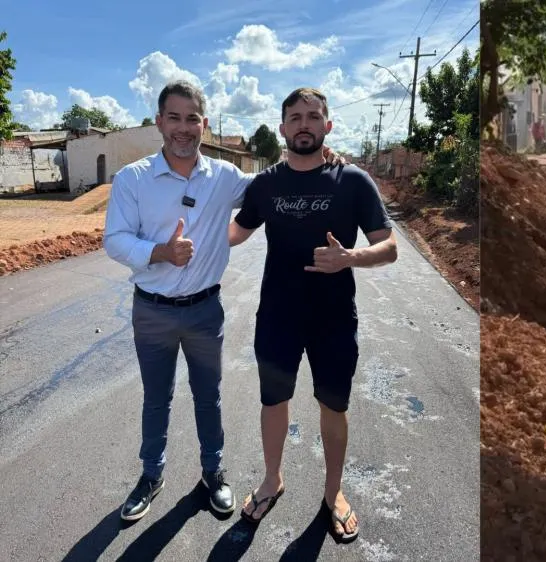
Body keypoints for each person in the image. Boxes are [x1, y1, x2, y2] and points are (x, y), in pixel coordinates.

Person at [103, 79, 343, 522]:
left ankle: (213, 474)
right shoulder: (132, 179)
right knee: (156, 398)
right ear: (159, 122)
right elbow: (114, 240)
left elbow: (271, 184)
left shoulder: (223, 177)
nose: (182, 127)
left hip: (204, 311)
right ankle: (151, 476)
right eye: (172, 117)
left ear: (205, 125)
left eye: (191, 118)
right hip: (151, 311)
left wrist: (317, 158)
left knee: (208, 397)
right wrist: (158, 252)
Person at [228, 87, 397, 542]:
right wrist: (182, 238)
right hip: (278, 316)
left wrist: (350, 259)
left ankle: (333, 492)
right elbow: (235, 233)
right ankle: (272, 480)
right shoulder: (266, 185)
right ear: (283, 128)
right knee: (273, 401)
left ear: (328, 125)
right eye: (295, 117)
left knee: (334, 406)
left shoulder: (353, 180)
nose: (304, 123)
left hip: (334, 319)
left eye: (313, 116)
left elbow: (390, 246)